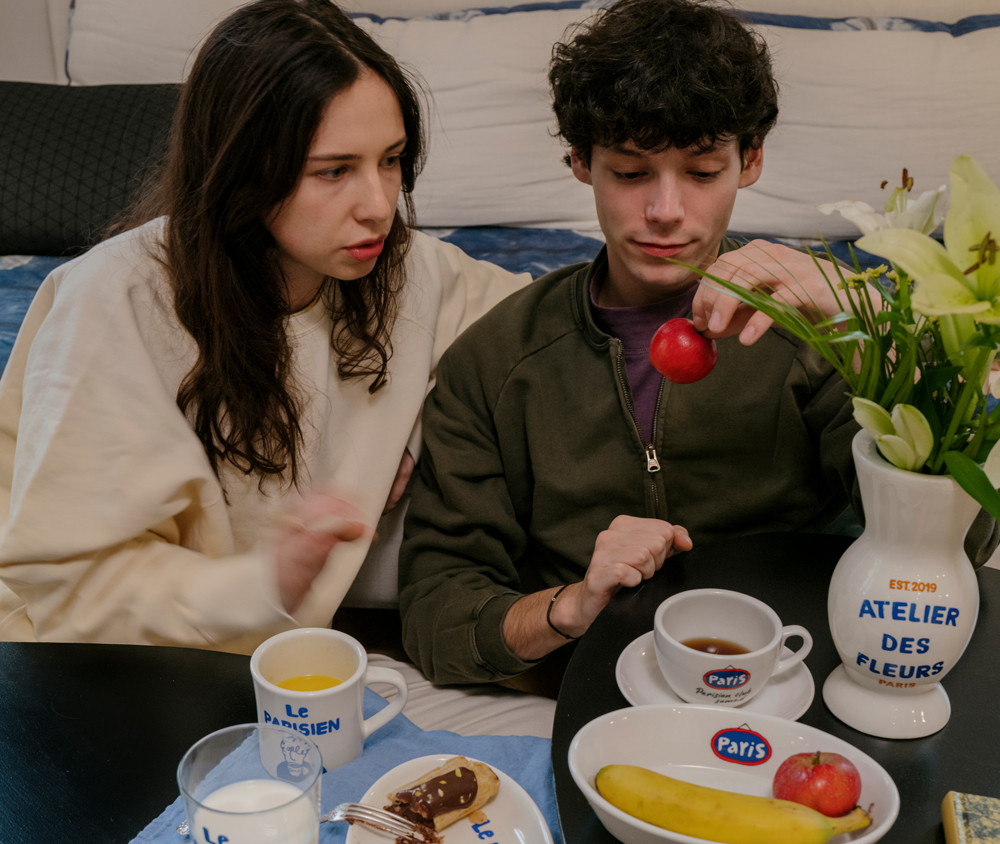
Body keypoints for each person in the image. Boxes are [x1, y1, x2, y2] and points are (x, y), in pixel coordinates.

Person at [398, 0, 996, 694]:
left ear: (751, 160)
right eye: (630, 173)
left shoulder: (823, 328)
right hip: (590, 687)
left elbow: (961, 544)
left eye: (703, 171)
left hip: (793, 677)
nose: (666, 212)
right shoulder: (494, 360)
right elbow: (439, 624)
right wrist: (572, 604)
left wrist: (863, 336)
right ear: (580, 160)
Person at [0, 0, 529, 651]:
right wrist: (263, 583)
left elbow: (541, 321)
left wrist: (428, 420)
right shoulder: (113, 301)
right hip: (81, 656)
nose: (378, 206)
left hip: (280, 650)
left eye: (390, 160)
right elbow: (73, 588)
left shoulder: (404, 266)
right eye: (334, 171)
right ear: (243, 170)